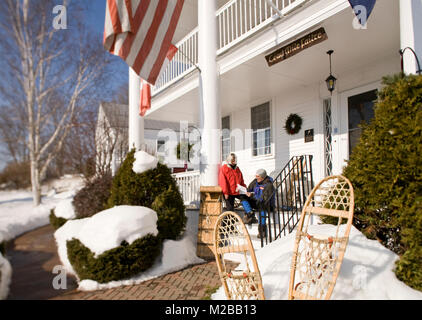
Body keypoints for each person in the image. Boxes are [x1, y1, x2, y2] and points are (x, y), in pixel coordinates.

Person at [218, 153, 258, 223]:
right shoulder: (224, 168)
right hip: (229, 192)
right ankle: (227, 226)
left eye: (235, 160)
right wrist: (225, 192)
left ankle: (249, 213)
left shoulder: (237, 169)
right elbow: (223, 181)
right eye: (232, 160)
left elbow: (242, 181)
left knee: (246, 197)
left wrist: (245, 190)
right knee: (230, 209)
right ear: (229, 161)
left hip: (238, 190)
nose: (234, 162)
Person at [245, 169, 275, 238]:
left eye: (258, 176)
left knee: (262, 204)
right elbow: (249, 189)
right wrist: (247, 193)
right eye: (256, 176)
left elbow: (265, 198)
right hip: (257, 201)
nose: (256, 178)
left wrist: (252, 195)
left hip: (267, 204)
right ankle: (250, 213)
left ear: (263, 177)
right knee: (243, 197)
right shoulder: (255, 181)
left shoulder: (269, 184)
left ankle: (262, 230)